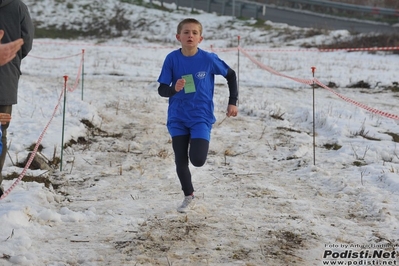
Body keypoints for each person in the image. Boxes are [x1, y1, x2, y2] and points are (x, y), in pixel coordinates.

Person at [157, 18, 238, 213]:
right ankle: (188, 195)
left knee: (198, 160)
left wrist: (232, 101)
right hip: (177, 117)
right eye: (186, 32)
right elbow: (161, 90)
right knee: (180, 159)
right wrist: (173, 89)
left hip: (200, 116)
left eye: (194, 32)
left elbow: (231, 75)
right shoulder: (171, 59)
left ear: (200, 38)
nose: (190, 35)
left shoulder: (208, 59)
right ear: (178, 37)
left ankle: (197, 140)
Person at [0, 0, 34, 197]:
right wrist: (12, 59)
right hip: (4, 82)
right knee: (0, 133)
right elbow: (26, 42)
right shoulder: (18, 7)